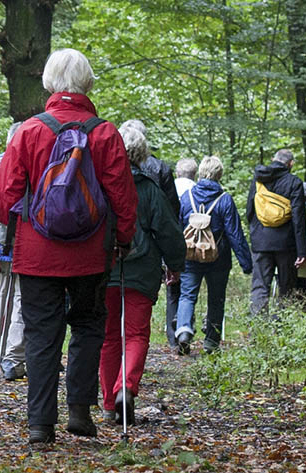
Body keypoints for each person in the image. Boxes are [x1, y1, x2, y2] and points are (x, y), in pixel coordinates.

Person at [0, 48, 137, 444]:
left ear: (49, 82)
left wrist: (18, 225)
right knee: (89, 326)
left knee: (41, 334)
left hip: (36, 253)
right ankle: (79, 411)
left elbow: (4, 197)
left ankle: (40, 423)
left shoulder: (29, 130)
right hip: (91, 253)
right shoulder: (105, 133)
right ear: (87, 83)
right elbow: (123, 197)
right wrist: (123, 239)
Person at [99, 127, 185, 425]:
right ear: (142, 155)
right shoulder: (149, 189)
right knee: (135, 334)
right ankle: (126, 387)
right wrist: (175, 264)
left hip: (106, 270)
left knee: (108, 337)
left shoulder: (100, 184)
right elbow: (169, 231)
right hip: (141, 272)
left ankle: (109, 404)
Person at [174, 156, 253, 355]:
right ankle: (211, 342)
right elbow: (234, 233)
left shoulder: (187, 197)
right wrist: (246, 262)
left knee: (187, 294)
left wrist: (171, 257)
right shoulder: (224, 199)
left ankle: (183, 330)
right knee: (216, 299)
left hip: (190, 255)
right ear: (219, 174)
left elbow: (177, 227)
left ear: (200, 172)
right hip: (218, 259)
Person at [246, 149, 306, 316]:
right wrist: (302, 250)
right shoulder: (294, 183)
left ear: (273, 159)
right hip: (285, 245)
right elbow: (298, 219)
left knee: (260, 286)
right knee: (286, 287)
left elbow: (249, 211)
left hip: (261, 242)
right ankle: (281, 328)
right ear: (290, 164)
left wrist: (256, 232)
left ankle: (258, 329)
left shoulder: (258, 179)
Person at [0, 122, 27, 381]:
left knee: (1, 296)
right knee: (20, 298)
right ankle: (13, 357)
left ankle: (1, 354)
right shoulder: (31, 167)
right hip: (24, 242)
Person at [165, 158, 197, 348]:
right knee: (188, 291)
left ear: (177, 173)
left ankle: (172, 337)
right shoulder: (196, 190)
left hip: (169, 243)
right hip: (192, 246)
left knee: (172, 292)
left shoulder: (169, 187)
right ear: (194, 174)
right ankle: (185, 327)